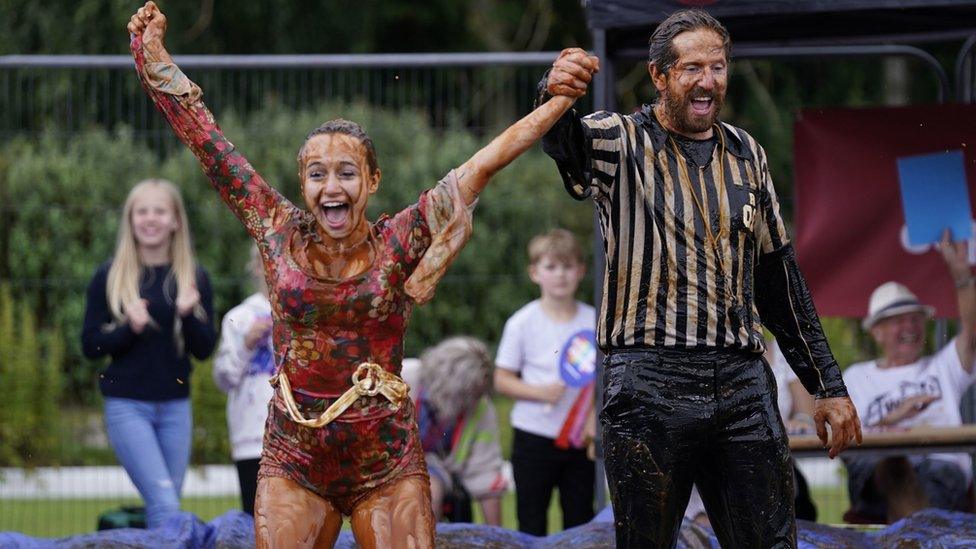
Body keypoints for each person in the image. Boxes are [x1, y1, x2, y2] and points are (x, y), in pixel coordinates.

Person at [126, 3, 588, 546]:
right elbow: (208, 145)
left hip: (385, 461)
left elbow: (484, 163)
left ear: (372, 179)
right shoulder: (276, 228)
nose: (332, 188)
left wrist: (558, 99)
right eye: (317, 175)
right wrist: (153, 59)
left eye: (347, 173)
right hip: (293, 459)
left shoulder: (401, 239)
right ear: (303, 186)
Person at [535, 9, 862, 547]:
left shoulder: (747, 153)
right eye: (691, 68)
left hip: (741, 381)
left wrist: (826, 384)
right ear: (659, 76)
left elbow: (779, 279)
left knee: (771, 541)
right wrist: (552, 90)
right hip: (646, 379)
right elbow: (563, 141)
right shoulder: (619, 140)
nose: (707, 80)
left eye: (717, 66)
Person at [81, 178, 217, 529]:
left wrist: (187, 315)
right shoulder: (109, 276)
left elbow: (204, 350)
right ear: (130, 219)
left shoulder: (194, 278)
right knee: (166, 506)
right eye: (142, 211)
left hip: (175, 407)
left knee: (165, 511)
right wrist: (128, 328)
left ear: (175, 221)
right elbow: (90, 345)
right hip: (128, 406)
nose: (150, 218)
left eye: (160, 210)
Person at [843, 231, 976, 523]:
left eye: (915, 318)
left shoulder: (943, 366)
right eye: (898, 320)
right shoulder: (855, 377)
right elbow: (842, 438)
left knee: (928, 475)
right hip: (877, 472)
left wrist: (963, 278)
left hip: (939, 467)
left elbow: (972, 336)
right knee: (890, 464)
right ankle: (918, 534)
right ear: (876, 331)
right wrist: (894, 418)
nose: (911, 326)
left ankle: (912, 531)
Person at [494, 228, 597, 535]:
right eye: (551, 267)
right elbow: (501, 380)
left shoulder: (594, 321)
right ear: (534, 273)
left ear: (581, 271)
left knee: (579, 522)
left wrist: (593, 418)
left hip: (581, 441)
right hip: (533, 438)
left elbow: (607, 380)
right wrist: (538, 392)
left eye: (567, 267)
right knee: (531, 522)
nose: (560, 275)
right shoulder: (521, 323)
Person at [400, 337, 509, 526]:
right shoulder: (404, 377)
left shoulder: (481, 407)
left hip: (433, 469)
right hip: (386, 463)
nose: (473, 400)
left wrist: (497, 538)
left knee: (428, 493)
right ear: (451, 385)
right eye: (469, 393)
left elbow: (485, 472)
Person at [213, 245, 274, 516]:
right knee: (257, 519)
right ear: (257, 267)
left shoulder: (307, 316)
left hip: (301, 439)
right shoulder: (239, 317)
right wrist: (247, 345)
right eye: (268, 261)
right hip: (252, 439)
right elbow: (223, 378)